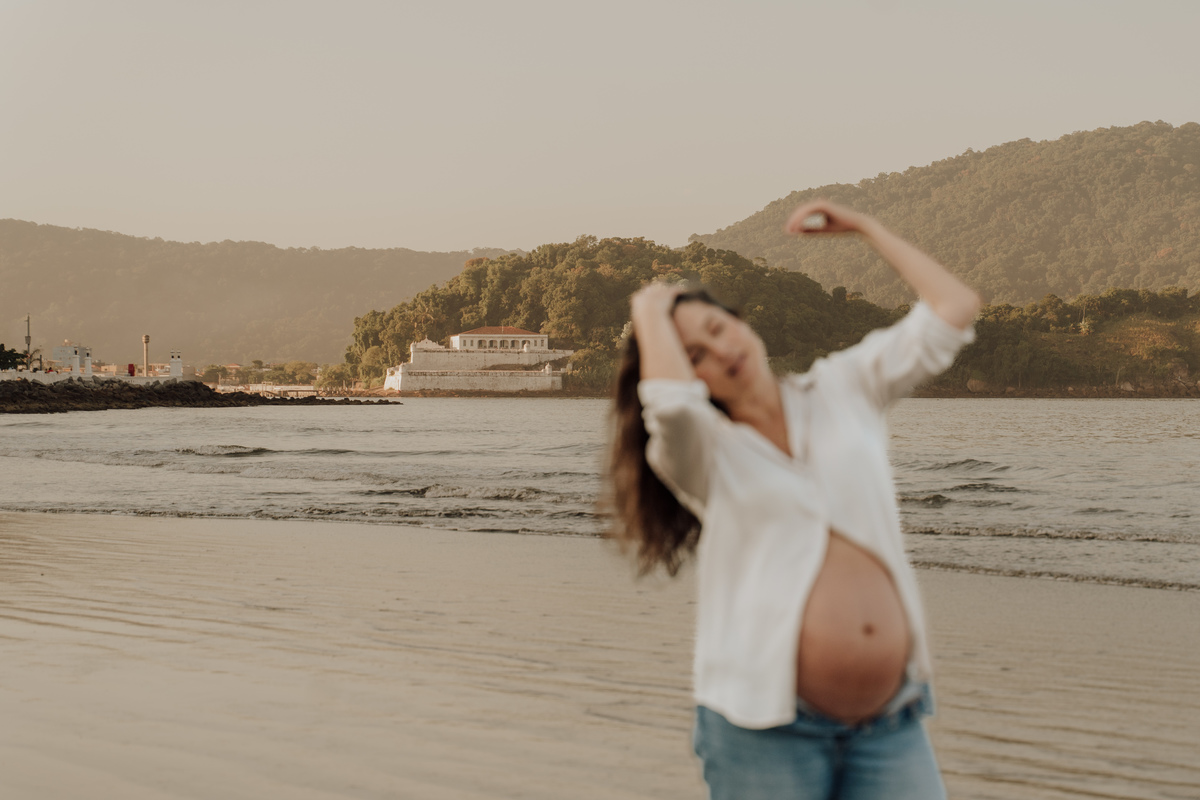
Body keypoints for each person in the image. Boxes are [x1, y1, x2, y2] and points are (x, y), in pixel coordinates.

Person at [604, 199, 981, 800]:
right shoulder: (699, 452)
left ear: (744, 323)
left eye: (718, 328)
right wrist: (647, 306)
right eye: (694, 353)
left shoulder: (843, 387)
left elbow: (953, 310)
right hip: (764, 730)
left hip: (892, 723)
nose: (720, 351)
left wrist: (868, 229)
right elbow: (671, 404)